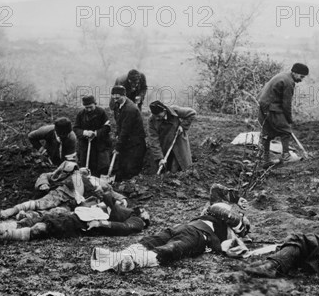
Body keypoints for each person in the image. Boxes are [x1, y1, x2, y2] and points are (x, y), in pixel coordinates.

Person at [91, 184, 250, 273]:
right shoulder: (219, 211)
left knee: (167, 248)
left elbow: (232, 243)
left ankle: (128, 260)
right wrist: (237, 198)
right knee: (154, 242)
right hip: (190, 230)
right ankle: (119, 257)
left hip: (195, 233)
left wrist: (239, 228)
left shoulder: (232, 236)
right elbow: (216, 192)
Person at [0, 191, 150, 242]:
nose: (147, 211)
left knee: (42, 228)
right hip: (77, 214)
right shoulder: (125, 208)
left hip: (83, 223)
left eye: (147, 214)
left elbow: (126, 229)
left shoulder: (136, 220)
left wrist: (102, 223)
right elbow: (109, 196)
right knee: (33, 220)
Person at [0, 160, 125, 218]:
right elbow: (45, 176)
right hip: (61, 193)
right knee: (40, 203)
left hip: (77, 204)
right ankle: (12, 210)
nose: (80, 173)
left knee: (57, 213)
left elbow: (112, 192)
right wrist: (43, 184)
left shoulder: (96, 181)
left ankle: (27, 216)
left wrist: (122, 200)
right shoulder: (63, 175)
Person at [257, 63, 309, 165]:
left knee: (266, 133)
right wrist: (289, 119)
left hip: (263, 105)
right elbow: (286, 104)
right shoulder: (288, 82)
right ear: (294, 73)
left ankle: (265, 159)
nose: (301, 79)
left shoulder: (283, 76)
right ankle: (286, 157)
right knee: (285, 131)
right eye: (301, 76)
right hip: (271, 108)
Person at [147, 100, 197, 174]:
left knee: (183, 167)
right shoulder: (151, 120)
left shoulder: (175, 110)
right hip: (164, 144)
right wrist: (159, 158)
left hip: (178, 142)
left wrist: (183, 126)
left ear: (164, 110)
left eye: (159, 116)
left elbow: (192, 113)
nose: (157, 118)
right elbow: (153, 139)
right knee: (164, 169)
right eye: (155, 116)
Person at [111, 85, 147, 182]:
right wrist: (117, 134)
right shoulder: (118, 105)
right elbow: (119, 123)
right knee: (122, 166)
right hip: (127, 140)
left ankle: (131, 187)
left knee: (131, 168)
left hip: (135, 143)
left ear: (124, 95)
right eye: (113, 96)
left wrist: (118, 147)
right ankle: (121, 183)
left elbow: (125, 130)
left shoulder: (130, 109)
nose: (115, 98)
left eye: (117, 96)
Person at [73, 95, 112, 175]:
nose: (89, 109)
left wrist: (96, 133)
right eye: (86, 107)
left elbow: (107, 127)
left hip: (100, 143)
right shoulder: (81, 114)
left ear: (95, 103)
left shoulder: (101, 112)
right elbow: (76, 128)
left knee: (103, 166)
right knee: (85, 166)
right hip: (85, 144)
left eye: (91, 107)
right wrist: (84, 132)